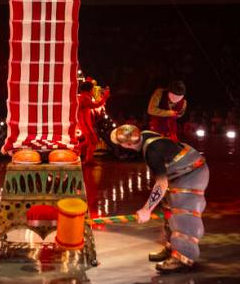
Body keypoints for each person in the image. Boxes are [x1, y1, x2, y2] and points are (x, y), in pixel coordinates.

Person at [109, 124, 209, 273]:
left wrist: (146, 209)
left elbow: (161, 184)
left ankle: (183, 256)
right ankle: (172, 248)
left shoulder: (151, 151)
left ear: (128, 145)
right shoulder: (145, 135)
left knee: (183, 211)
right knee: (168, 209)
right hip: (179, 172)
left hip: (191, 173)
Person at [75, 80, 110, 164]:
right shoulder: (84, 98)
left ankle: (87, 159)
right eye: (92, 89)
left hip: (85, 123)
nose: (93, 91)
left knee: (91, 141)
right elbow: (96, 105)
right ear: (89, 89)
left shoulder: (84, 97)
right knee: (91, 140)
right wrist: (105, 97)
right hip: (84, 123)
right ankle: (77, 151)